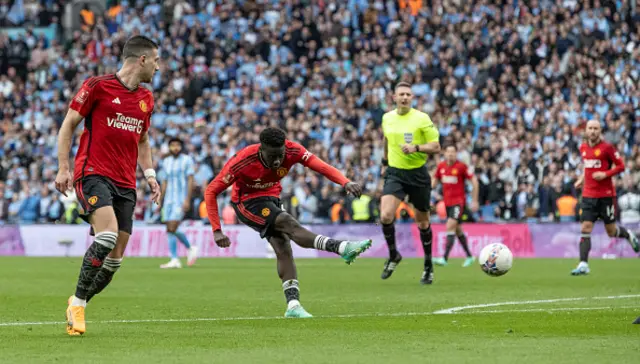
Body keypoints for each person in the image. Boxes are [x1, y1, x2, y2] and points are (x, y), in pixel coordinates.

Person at [204, 127, 372, 318]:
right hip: (247, 203)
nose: (277, 161)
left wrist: (345, 182)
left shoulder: (294, 151)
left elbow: (321, 166)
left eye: (280, 155)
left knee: (283, 247)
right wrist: (217, 229)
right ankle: (342, 248)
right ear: (261, 150)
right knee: (287, 222)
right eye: (272, 156)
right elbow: (211, 191)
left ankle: (293, 305)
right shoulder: (242, 161)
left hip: (272, 198)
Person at [55, 35, 161, 336]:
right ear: (141, 59)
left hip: (126, 183)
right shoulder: (97, 86)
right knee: (107, 236)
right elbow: (68, 125)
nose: (158, 67)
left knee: (113, 262)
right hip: (93, 173)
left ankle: (78, 300)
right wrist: (64, 167)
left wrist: (150, 175)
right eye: (155, 60)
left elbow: (142, 138)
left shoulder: (146, 99)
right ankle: (78, 306)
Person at [379, 82, 441, 284]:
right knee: (386, 215)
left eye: (408, 94)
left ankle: (428, 264)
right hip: (395, 173)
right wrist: (384, 161)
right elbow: (387, 140)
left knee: (422, 221)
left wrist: (416, 147)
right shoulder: (387, 118)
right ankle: (394, 254)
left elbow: (436, 146)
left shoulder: (421, 118)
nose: (404, 97)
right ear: (394, 97)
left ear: (412, 97)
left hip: (418, 175)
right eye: (401, 94)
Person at [571, 120, 639, 275]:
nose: (593, 131)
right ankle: (583, 264)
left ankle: (628, 234)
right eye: (590, 128)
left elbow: (621, 166)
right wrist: (582, 179)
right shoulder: (583, 147)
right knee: (585, 228)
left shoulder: (607, 148)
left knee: (611, 231)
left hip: (605, 196)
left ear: (600, 131)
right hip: (588, 195)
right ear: (586, 130)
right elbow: (588, 167)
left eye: (596, 128)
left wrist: (605, 174)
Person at [432, 144, 479, 267]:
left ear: (456, 154)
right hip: (447, 204)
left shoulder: (461, 167)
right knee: (457, 230)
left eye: (453, 152)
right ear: (445, 154)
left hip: (458, 203)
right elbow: (434, 180)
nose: (450, 154)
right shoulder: (441, 167)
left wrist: (474, 200)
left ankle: (444, 258)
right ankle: (469, 256)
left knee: (450, 225)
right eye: (448, 152)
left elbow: (474, 181)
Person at [158, 137, 199, 269]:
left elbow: (190, 180)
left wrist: (187, 199)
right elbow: (164, 182)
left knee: (173, 226)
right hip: (168, 200)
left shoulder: (187, 160)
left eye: (177, 145)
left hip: (180, 199)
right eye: (173, 145)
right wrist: (160, 199)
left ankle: (190, 247)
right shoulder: (166, 162)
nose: (175, 147)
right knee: (169, 229)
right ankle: (175, 258)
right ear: (169, 147)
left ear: (181, 147)